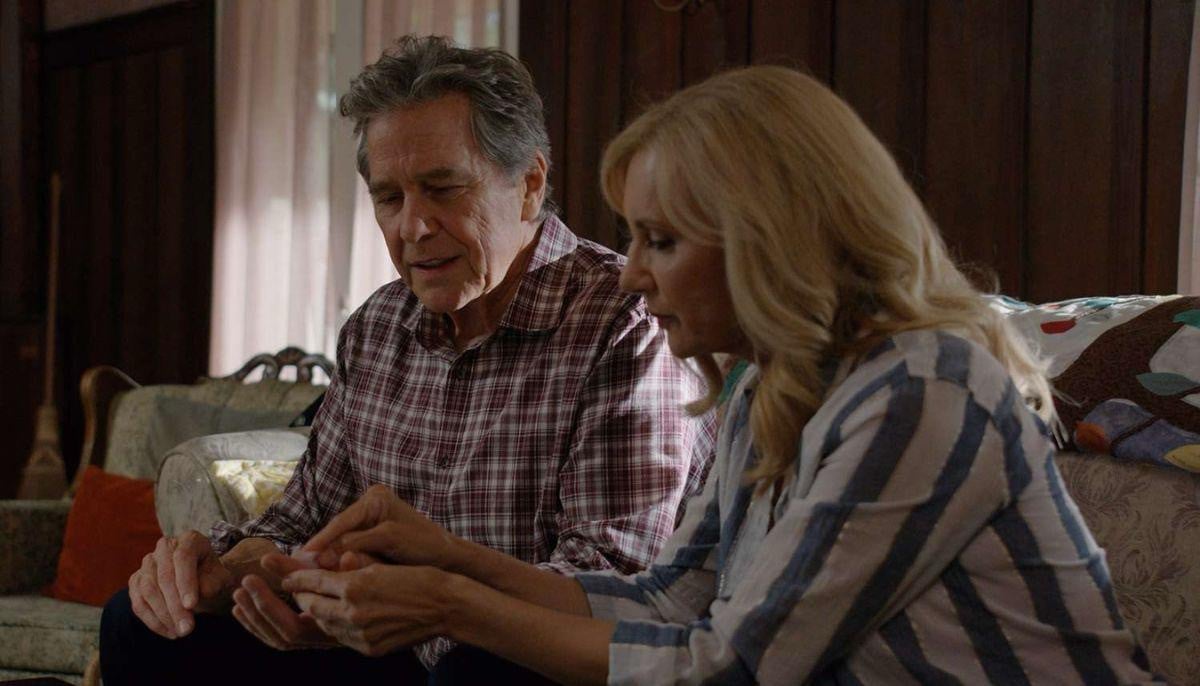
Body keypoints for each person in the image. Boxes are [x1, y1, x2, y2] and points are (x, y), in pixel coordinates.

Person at [269, 65, 1157, 684]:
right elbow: (669, 599)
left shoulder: (921, 390)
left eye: (660, 240)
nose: (629, 274)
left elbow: (733, 665)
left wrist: (450, 604)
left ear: (772, 238)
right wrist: (448, 557)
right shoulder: (767, 389)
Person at [99, 36, 715, 685]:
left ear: (530, 185)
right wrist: (221, 572)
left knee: (476, 672)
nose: (413, 227)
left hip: (528, 656)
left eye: (443, 189)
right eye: (389, 198)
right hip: (388, 649)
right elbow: (299, 523)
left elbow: (612, 585)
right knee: (141, 625)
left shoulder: (625, 322)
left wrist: (418, 603)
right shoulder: (377, 328)